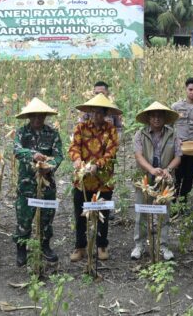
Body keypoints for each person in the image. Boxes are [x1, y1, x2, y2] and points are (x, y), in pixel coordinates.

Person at [68, 93, 120, 262]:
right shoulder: (81, 128)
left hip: (103, 180)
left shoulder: (111, 130)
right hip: (82, 180)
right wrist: (77, 160)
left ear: (105, 113)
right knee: (80, 214)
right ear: (90, 111)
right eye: (94, 112)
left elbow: (111, 152)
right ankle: (80, 246)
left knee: (102, 213)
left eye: (100, 112)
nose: (97, 115)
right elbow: (74, 147)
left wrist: (97, 164)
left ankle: (102, 245)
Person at [12, 98, 64, 267]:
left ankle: (45, 245)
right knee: (24, 216)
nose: (37, 119)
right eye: (34, 116)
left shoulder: (52, 133)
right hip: (27, 183)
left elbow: (58, 155)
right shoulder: (22, 133)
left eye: (40, 116)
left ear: (45, 116)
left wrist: (49, 167)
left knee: (47, 216)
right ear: (29, 116)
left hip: (47, 182)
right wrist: (32, 155)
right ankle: (21, 247)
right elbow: (16, 150)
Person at [132, 102, 182, 261]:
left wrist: (168, 169)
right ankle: (139, 245)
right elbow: (138, 156)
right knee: (141, 212)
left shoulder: (172, 135)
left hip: (165, 180)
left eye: (160, 116)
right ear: (148, 118)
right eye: (153, 116)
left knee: (164, 213)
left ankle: (163, 245)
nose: (156, 118)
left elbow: (178, 156)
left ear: (165, 118)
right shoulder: (140, 134)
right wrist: (151, 170)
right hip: (145, 179)